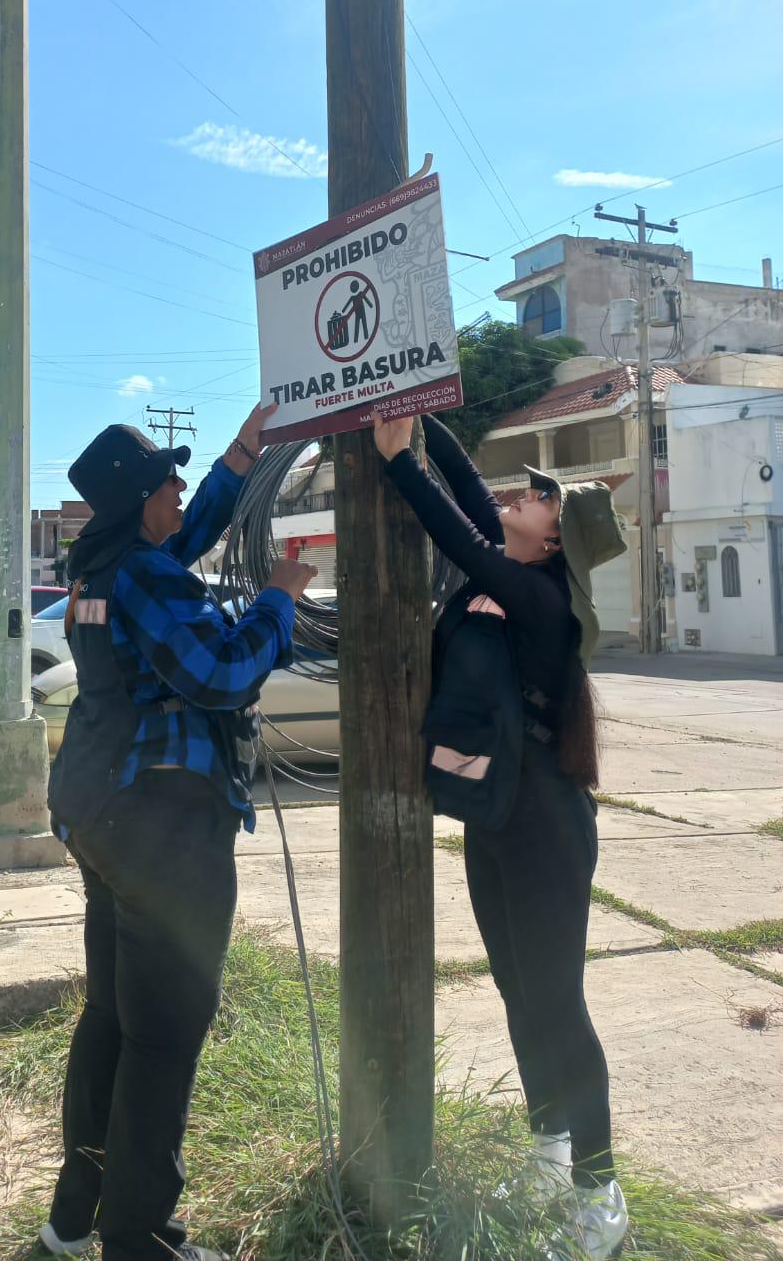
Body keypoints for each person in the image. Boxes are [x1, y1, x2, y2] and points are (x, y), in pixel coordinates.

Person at [41, 405, 318, 1261]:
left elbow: (185, 533)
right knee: (164, 1039)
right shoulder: (147, 575)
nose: (180, 486)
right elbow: (223, 673)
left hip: (98, 813)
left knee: (114, 1021)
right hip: (165, 831)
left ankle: (75, 1216)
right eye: (169, 476)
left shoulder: (102, 565)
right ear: (139, 500)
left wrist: (243, 453)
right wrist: (277, 598)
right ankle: (139, 1240)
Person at [373, 411, 630, 1261]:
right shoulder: (517, 562)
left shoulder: (537, 593)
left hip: (548, 828)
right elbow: (475, 497)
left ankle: (601, 1194)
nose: (524, 495)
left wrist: (396, 461)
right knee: (520, 992)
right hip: (496, 818)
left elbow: (456, 525)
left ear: (555, 538)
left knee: (558, 1003)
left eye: (542, 497)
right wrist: (420, 412)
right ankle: (548, 1151)